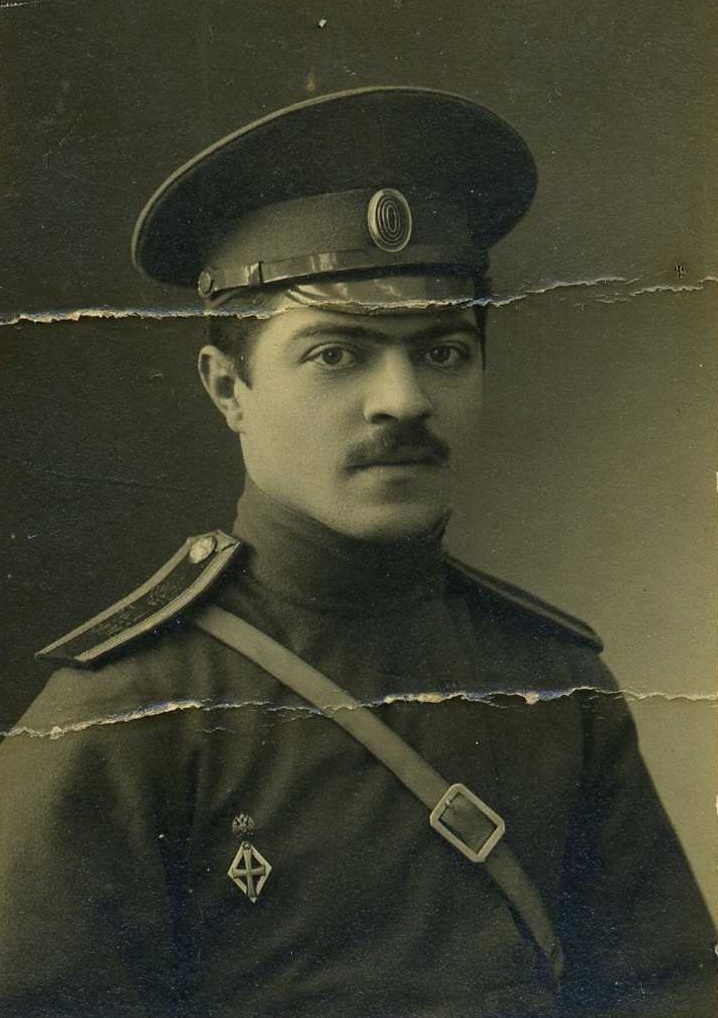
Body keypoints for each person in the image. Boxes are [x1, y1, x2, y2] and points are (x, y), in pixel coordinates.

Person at [0, 87, 713, 1018]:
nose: (404, 401)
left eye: (444, 351)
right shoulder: (125, 712)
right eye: (337, 355)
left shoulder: (553, 681)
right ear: (228, 388)